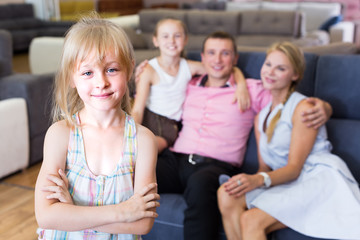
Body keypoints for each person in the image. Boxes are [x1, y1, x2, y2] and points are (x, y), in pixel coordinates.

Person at [156, 32, 332, 240]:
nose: (217, 60)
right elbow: (158, 80)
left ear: (235, 59)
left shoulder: (252, 89)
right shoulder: (187, 84)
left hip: (213, 165)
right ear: (202, 58)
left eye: (225, 53)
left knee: (201, 185)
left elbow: (288, 101)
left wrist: (325, 108)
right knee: (132, 170)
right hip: (176, 159)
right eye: (211, 53)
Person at [217, 41, 360, 240]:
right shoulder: (261, 117)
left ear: (295, 75)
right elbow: (264, 169)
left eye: (280, 68)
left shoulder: (304, 108)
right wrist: (247, 180)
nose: (270, 72)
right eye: (268, 64)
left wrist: (258, 180)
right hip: (285, 181)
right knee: (226, 193)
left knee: (251, 220)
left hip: (315, 178)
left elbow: (294, 168)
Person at [34, 15, 160, 240]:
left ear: (129, 69)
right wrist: (123, 212)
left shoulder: (143, 140)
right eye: (87, 73)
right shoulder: (60, 135)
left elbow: (142, 223)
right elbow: (46, 215)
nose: (101, 82)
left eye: (112, 70)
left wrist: (72, 211)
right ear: (72, 77)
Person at [131, 18, 249, 153]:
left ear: (185, 40)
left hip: (171, 126)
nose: (171, 41)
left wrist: (241, 85)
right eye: (165, 36)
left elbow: (223, 68)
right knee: (137, 148)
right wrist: (130, 135)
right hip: (149, 118)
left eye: (177, 36)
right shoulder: (149, 70)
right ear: (155, 41)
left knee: (147, 150)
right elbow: (137, 110)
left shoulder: (189, 67)